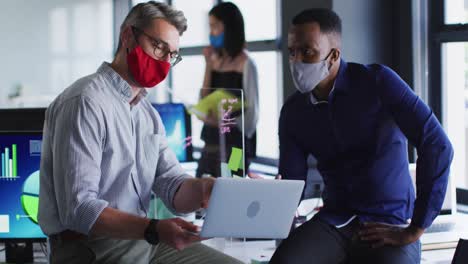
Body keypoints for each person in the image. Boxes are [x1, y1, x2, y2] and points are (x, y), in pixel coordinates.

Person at [38, 2, 242, 264]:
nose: (164, 62)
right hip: (92, 247)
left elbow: (172, 184)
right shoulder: (84, 101)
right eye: (159, 47)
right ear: (127, 36)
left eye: (172, 55)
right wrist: (154, 228)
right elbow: (79, 210)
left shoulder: (146, 114)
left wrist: (208, 189)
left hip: (143, 239)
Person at [270, 8, 453, 264]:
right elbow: (292, 183)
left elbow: (437, 143)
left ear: (333, 55)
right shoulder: (293, 111)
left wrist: (416, 228)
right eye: (292, 52)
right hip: (333, 222)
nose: (296, 61)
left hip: (389, 221)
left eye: (307, 51)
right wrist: (266, 199)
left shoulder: (378, 81)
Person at [196, 2, 259, 178]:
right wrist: (208, 65)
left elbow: (252, 113)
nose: (211, 32)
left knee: (233, 182)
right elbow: (203, 100)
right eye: (210, 26)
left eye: (215, 26)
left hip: (236, 145)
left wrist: (225, 123)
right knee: (201, 188)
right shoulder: (215, 61)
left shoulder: (246, 63)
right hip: (211, 144)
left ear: (229, 28)